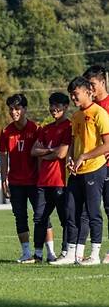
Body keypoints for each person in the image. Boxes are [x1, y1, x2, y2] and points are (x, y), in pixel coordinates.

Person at [52, 77, 109, 265]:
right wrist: (70, 158)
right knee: (70, 211)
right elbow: (74, 142)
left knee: (93, 212)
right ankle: (71, 254)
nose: (73, 98)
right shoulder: (76, 116)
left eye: (75, 94)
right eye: (71, 94)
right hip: (77, 171)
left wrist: (84, 157)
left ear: (87, 92)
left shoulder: (99, 113)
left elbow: (107, 145)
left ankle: (94, 255)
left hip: (95, 169)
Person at [0, 94, 41, 263]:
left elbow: (40, 156)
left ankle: (49, 252)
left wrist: (41, 178)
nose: (13, 112)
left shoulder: (36, 129)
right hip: (16, 182)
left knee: (41, 216)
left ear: (25, 109)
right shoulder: (6, 132)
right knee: (20, 217)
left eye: (17, 108)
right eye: (11, 109)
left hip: (35, 181)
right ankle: (26, 253)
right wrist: (4, 179)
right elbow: (3, 157)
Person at [30, 93, 71, 262]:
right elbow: (34, 151)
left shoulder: (69, 127)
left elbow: (62, 153)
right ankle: (38, 254)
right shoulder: (46, 129)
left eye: (58, 105)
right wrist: (51, 151)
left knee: (65, 219)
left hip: (61, 182)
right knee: (39, 218)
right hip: (43, 182)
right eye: (51, 105)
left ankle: (66, 252)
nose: (54, 108)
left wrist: (46, 152)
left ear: (66, 107)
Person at [82, 65, 109, 262]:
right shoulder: (87, 109)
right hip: (92, 167)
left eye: (92, 84)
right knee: (88, 210)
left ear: (102, 82)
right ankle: (81, 251)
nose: (90, 89)